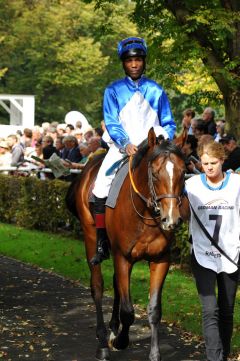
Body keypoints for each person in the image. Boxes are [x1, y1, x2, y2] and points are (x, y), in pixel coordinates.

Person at [90, 36, 176, 265]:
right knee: (99, 188)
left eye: (138, 60)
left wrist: (162, 140)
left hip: (152, 148)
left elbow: (168, 122)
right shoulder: (113, 90)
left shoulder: (156, 90)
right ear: (124, 64)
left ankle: (175, 235)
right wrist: (125, 142)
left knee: (174, 181)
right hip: (123, 148)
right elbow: (111, 120)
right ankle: (101, 241)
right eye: (130, 61)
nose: (135, 64)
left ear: (144, 61)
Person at [181, 141, 240, 361]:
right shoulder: (193, 185)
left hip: (231, 254)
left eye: (213, 163)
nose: (209, 167)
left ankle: (223, 355)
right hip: (202, 253)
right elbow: (183, 215)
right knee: (209, 309)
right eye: (205, 163)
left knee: (226, 311)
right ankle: (214, 358)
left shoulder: (237, 183)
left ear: (223, 160)